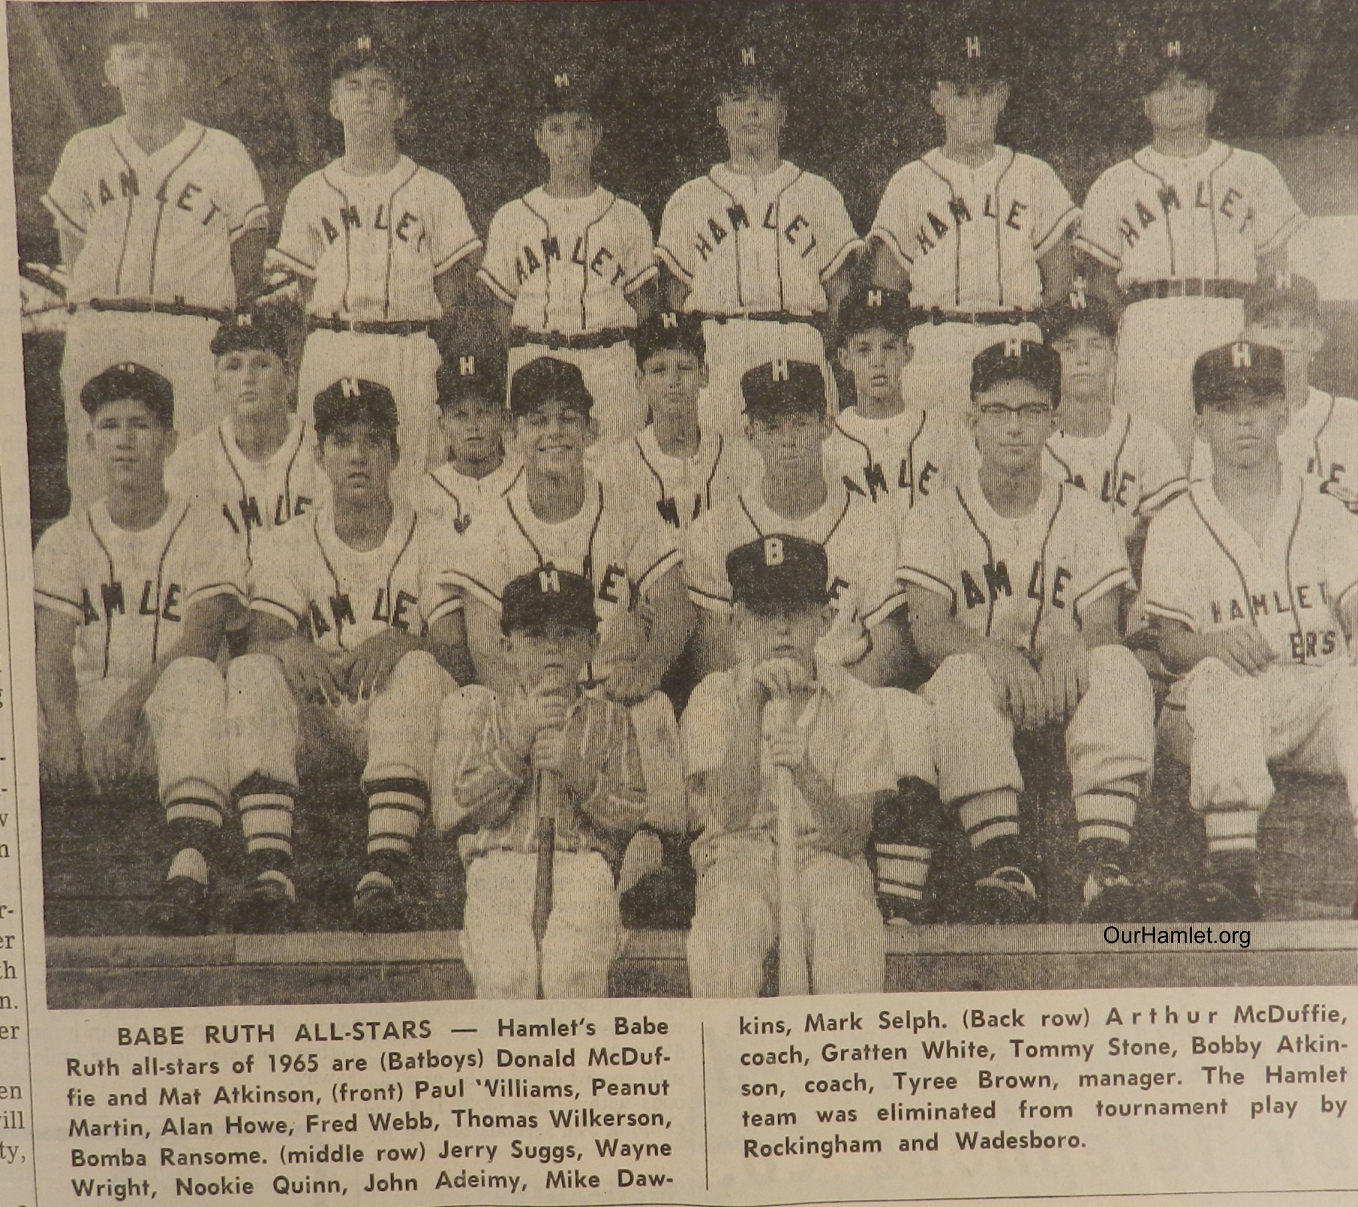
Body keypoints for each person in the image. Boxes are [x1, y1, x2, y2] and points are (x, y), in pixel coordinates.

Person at [899, 340, 1156, 922]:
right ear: (971, 419)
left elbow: (1104, 624)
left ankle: (1104, 861)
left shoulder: (1088, 513)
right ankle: (1000, 860)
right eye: (997, 410)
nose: (1013, 427)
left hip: (1061, 695)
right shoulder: (934, 513)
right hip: (978, 707)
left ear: (1054, 420)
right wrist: (990, 654)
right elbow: (926, 630)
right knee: (961, 671)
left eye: (1030, 411)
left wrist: (1077, 642)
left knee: (1117, 664)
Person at [224, 378, 468, 933]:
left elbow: (458, 654)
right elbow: (261, 636)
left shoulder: (435, 539)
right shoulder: (288, 540)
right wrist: (289, 647)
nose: (357, 456)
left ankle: (384, 869)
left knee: (420, 670)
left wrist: (405, 640)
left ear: (396, 453)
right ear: (321, 456)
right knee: (253, 671)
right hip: (320, 720)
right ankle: (269, 870)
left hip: (401, 725)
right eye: (342, 442)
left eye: (372, 441)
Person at [1142, 340, 1358, 921]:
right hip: (1211, 715)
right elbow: (1169, 646)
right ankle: (1233, 873)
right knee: (1219, 675)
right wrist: (1210, 643)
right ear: (1201, 421)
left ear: (1282, 413)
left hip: (1305, 701)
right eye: (1224, 405)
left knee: (1354, 683)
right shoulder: (1175, 522)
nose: (1242, 419)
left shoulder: (1326, 510)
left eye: (1257, 404)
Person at [440, 356, 692, 845]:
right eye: (538, 421)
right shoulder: (491, 528)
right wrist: (538, 708)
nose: (554, 433)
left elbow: (676, 610)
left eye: (567, 419)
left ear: (591, 429)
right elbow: (486, 652)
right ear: (513, 433)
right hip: (528, 698)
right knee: (467, 707)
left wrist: (647, 668)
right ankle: (472, 851)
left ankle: (654, 855)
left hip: (614, 696)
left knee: (654, 710)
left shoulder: (627, 512)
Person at [33, 364, 246, 936]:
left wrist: (123, 716)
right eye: (109, 426)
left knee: (197, 680)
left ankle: (190, 863)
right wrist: (64, 727)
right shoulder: (63, 539)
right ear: (89, 442)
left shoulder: (207, 528)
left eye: (141, 425)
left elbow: (200, 641)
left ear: (170, 440)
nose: (124, 440)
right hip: (88, 712)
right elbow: (50, 651)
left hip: (167, 713)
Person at [42, 3, 269, 513]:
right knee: (96, 483)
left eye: (158, 54)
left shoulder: (223, 150)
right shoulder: (84, 149)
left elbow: (251, 246)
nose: (144, 65)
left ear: (180, 69)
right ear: (110, 70)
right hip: (100, 327)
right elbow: (72, 249)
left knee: (197, 481)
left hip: (190, 331)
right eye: (131, 53)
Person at [683, 536, 921, 995]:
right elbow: (729, 817)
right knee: (724, 934)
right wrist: (751, 708)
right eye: (765, 615)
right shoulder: (713, 696)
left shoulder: (857, 700)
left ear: (824, 619)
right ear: (738, 624)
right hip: (740, 857)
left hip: (825, 858)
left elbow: (851, 835)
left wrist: (807, 772)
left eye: (794, 613)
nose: (781, 631)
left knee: (847, 929)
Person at [269, 33, 482, 505]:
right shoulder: (309, 193)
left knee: (414, 488)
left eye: (380, 86)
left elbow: (455, 286)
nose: (366, 97)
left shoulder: (435, 190)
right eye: (353, 85)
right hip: (332, 345)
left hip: (407, 348)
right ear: (333, 104)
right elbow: (302, 289)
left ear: (401, 104)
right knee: (325, 491)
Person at [1074, 37, 1307, 458]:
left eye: (1191, 84)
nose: (1178, 96)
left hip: (1229, 318)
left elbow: (1275, 274)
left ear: (1211, 97)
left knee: (1229, 455)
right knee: (1150, 452)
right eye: (1164, 87)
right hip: (1149, 327)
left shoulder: (1254, 170)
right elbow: (1099, 286)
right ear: (1144, 103)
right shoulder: (1115, 181)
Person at [432, 569, 647, 998]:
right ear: (507, 649)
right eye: (534, 636)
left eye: (568, 634)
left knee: (572, 971)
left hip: (581, 862)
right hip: (501, 862)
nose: (552, 648)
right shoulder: (490, 715)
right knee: (507, 974)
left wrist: (579, 773)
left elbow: (626, 817)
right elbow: (478, 806)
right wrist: (517, 743)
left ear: (592, 643)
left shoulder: (611, 718)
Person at [869, 30, 1078, 414]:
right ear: (937, 101)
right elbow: (885, 288)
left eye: (983, 93)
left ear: (1001, 98)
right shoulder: (910, 180)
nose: (974, 107)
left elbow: (1061, 282)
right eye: (960, 94)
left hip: (1015, 337)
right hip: (936, 343)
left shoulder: (1035, 175)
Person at [656, 45, 861, 438]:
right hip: (718, 348)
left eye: (765, 99)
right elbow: (674, 301)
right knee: (720, 474)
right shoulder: (689, 198)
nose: (752, 110)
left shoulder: (819, 193)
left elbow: (840, 297)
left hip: (797, 339)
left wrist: (821, 347)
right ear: (720, 114)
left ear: (782, 114)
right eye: (738, 99)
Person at [685, 361, 909, 686]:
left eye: (800, 423)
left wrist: (834, 705)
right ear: (751, 434)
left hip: (844, 692)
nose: (788, 440)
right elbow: (713, 651)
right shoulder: (714, 529)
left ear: (826, 425)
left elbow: (890, 644)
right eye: (772, 427)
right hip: (752, 694)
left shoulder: (871, 523)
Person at [478, 69, 658, 444]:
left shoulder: (627, 215)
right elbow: (499, 309)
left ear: (597, 136)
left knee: (617, 474)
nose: (570, 141)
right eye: (557, 129)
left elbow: (646, 305)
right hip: (536, 355)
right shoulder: (513, 216)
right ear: (540, 139)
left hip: (609, 361)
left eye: (580, 127)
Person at [164, 309, 323, 566]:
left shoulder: (322, 453)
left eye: (262, 364)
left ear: (290, 378)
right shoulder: (191, 461)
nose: (248, 378)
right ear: (216, 381)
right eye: (233, 366)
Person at [1190, 273, 1358, 511]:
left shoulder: (1351, 418)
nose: (1284, 337)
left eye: (1296, 324)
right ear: (1245, 338)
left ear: (1317, 337)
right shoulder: (1224, 423)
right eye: (1271, 325)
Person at [1040, 287, 1186, 554]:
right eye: (1068, 347)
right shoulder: (1032, 441)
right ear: (1048, 360)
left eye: (1095, 345)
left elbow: (1172, 530)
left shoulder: (1147, 438)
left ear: (1113, 359)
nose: (1083, 358)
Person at [594, 310, 754, 540]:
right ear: (640, 381)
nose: (673, 381)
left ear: (704, 374)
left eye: (685, 368)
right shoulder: (615, 467)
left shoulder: (740, 460)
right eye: (659, 370)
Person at [826, 285, 965, 528]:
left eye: (889, 347)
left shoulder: (943, 431)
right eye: (863, 349)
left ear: (907, 353)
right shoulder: (829, 441)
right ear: (844, 358)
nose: (878, 361)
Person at [413, 346, 520, 538]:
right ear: (442, 423)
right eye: (460, 415)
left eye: (483, 412)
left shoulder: (525, 481)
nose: (473, 425)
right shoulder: (424, 492)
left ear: (504, 418)